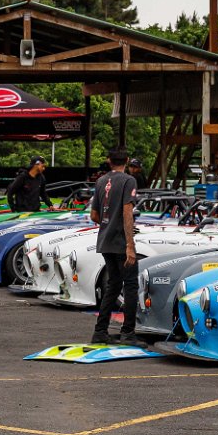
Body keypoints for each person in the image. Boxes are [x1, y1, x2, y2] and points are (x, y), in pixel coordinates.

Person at [89, 146, 140, 345]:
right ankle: (128, 333)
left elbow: (94, 215)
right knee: (131, 286)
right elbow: (127, 213)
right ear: (127, 160)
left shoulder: (101, 181)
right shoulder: (129, 180)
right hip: (120, 241)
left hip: (105, 240)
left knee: (113, 285)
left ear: (109, 160)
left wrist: (108, 222)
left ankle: (100, 331)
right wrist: (130, 245)